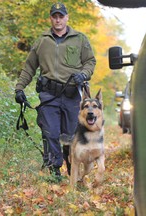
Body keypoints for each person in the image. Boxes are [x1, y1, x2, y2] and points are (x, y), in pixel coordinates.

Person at [15, 2, 96, 181]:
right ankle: (54, 173)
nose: (58, 19)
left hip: (72, 95)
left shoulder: (80, 39)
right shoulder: (42, 41)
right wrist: (19, 88)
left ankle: (72, 170)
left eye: (61, 16)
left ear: (67, 18)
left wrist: (83, 75)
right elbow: (29, 67)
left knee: (71, 136)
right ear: (51, 18)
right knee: (50, 132)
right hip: (49, 95)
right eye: (54, 16)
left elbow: (90, 62)